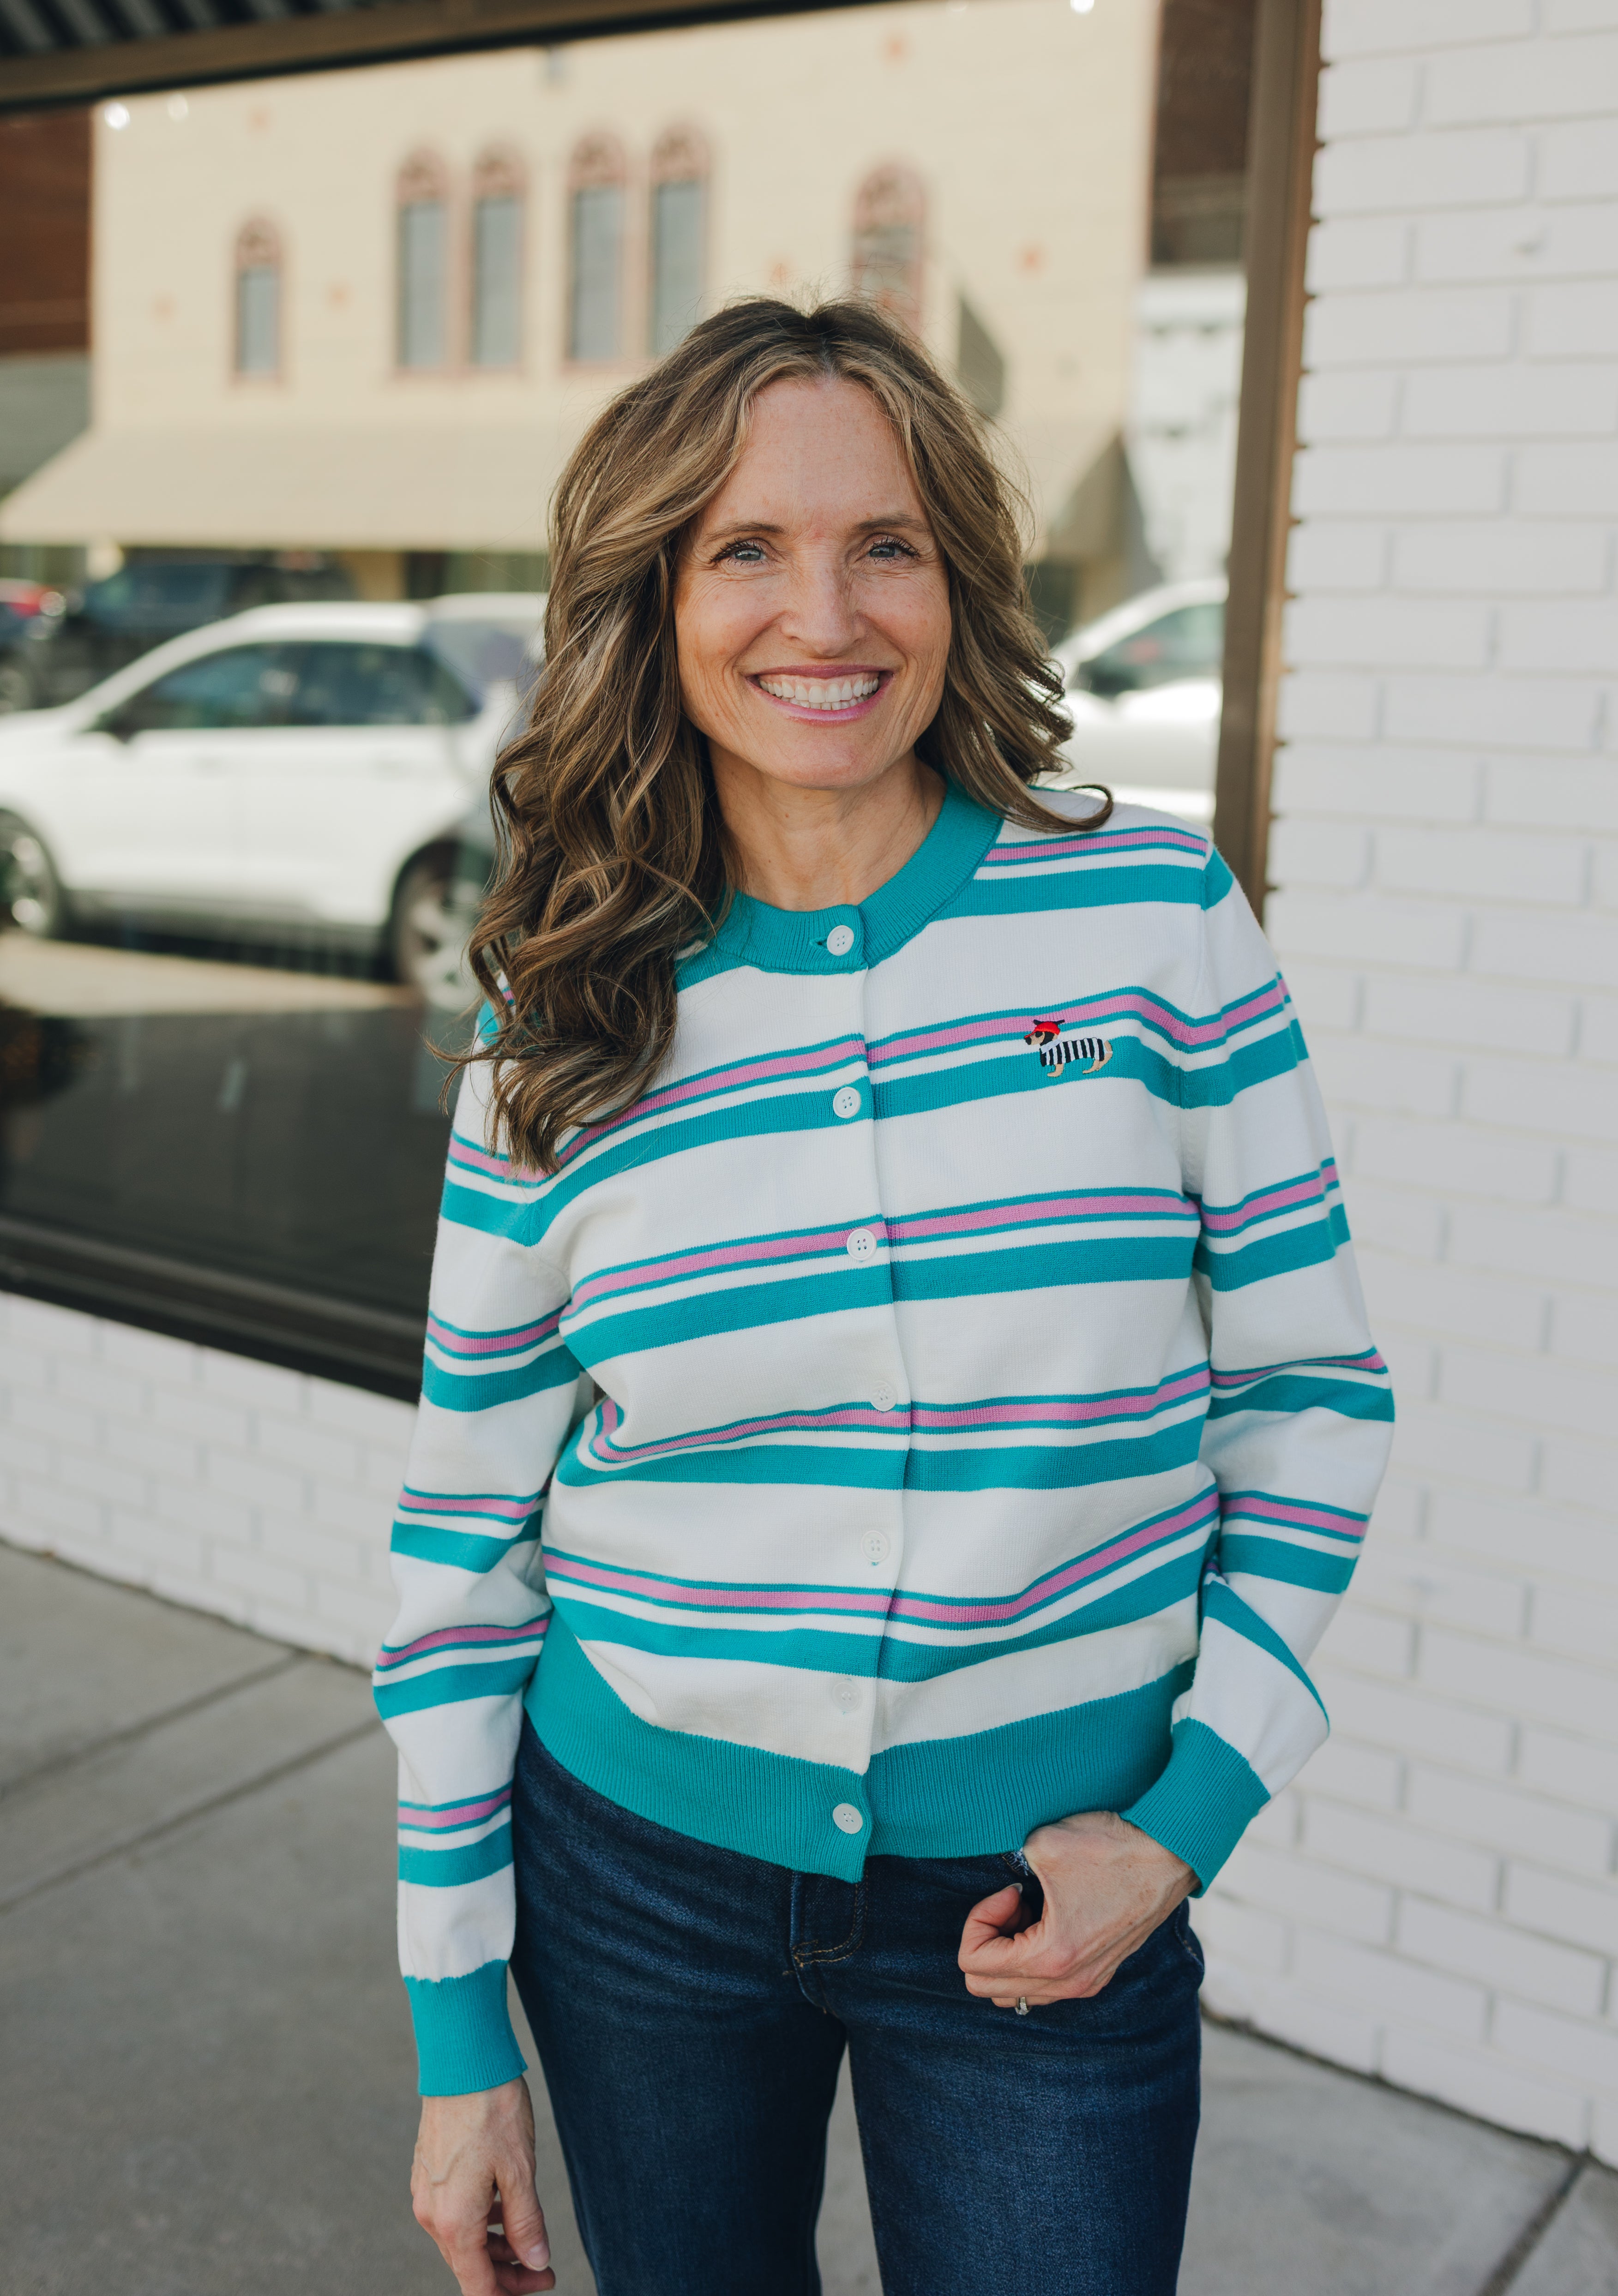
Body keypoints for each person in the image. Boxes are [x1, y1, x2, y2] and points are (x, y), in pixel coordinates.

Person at [374, 296, 1392, 2296]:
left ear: (961, 582)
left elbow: (1311, 1396)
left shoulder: (1152, 922)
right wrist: (455, 2028)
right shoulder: (564, 1010)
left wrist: (1185, 1812)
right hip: (634, 1883)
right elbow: (462, 1536)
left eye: (885, 543)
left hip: (1052, 1892)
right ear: (652, 599)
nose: (819, 613)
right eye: (744, 546)